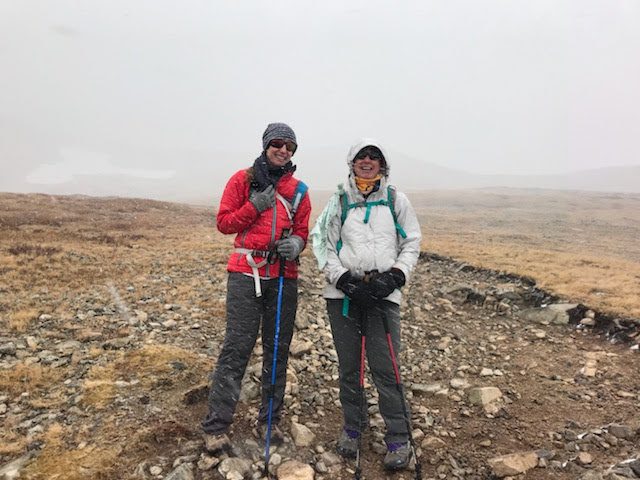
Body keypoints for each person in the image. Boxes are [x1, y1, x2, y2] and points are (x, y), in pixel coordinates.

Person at [311, 139, 421, 471]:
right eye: (362, 156)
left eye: (375, 156)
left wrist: (396, 277)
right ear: (352, 162)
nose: (368, 160)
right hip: (343, 297)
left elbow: (412, 241)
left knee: (386, 367)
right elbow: (323, 245)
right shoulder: (338, 201)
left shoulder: (395, 199)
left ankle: (399, 436)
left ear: (383, 164)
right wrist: (342, 279)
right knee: (350, 367)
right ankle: (353, 428)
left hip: (383, 294)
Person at [202, 123, 311, 453]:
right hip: (245, 274)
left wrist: (296, 243)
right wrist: (255, 206)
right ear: (266, 145)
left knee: (278, 349)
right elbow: (224, 223)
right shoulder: (242, 180)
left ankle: (269, 421)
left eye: (290, 146)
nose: (284, 150)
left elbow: (303, 232)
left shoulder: (300, 190)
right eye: (278, 143)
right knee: (237, 347)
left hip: (283, 276)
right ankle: (216, 426)